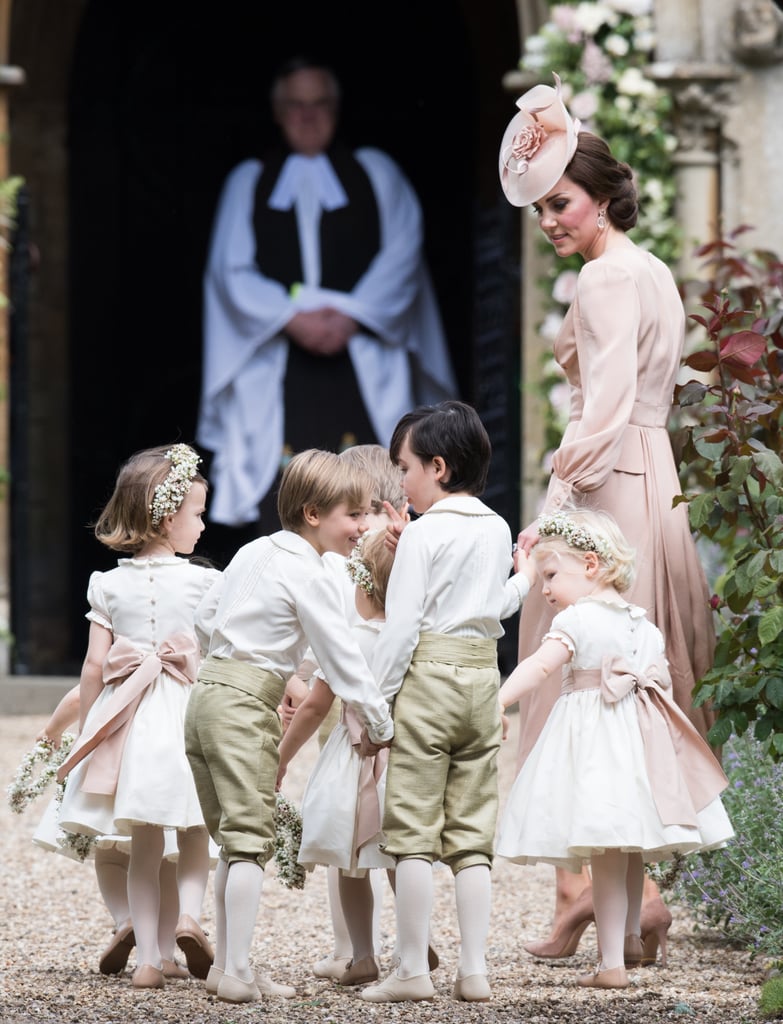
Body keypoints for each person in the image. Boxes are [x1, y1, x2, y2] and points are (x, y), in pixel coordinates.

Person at [498, 72, 718, 960]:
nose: (550, 220)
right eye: (542, 208)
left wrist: (553, 510)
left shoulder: (598, 281)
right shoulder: (650, 269)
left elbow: (604, 405)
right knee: (631, 671)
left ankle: (599, 894)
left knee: (564, 671)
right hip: (651, 473)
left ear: (598, 198)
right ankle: (606, 896)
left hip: (607, 477)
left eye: (562, 203)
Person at [197, 55, 457, 551]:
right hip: (279, 362)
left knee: (373, 487)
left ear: (336, 110)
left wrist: (351, 315)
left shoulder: (377, 174)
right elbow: (231, 272)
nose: (307, 116)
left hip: (361, 357)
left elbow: (402, 254)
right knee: (283, 497)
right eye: (296, 105)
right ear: (277, 111)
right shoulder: (248, 182)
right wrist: (291, 317)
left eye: (319, 104)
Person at [184, 448, 395, 1005]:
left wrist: (227, 658)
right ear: (312, 514)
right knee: (251, 842)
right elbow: (342, 655)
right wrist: (380, 718)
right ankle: (235, 972)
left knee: (233, 842)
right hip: (244, 704)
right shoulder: (312, 572)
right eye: (353, 515)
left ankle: (231, 969)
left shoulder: (255, 549)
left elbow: (205, 618)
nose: (359, 528)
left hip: (205, 696)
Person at [496, 509, 734, 989]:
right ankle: (627, 939)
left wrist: (496, 699)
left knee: (604, 848)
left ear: (589, 565)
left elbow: (541, 666)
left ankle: (611, 966)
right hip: (638, 744)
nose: (544, 589)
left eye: (550, 575)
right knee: (628, 849)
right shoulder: (641, 623)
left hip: (595, 744)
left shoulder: (579, 618)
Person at [357, 400, 535, 1004]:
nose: (399, 482)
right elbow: (497, 607)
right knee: (471, 831)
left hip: (429, 678)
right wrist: (528, 577)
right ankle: (475, 970)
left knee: (410, 831)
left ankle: (412, 969)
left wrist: (374, 708)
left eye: (403, 467)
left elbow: (402, 629)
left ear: (436, 467)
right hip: (482, 679)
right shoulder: (495, 527)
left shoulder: (424, 533)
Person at [55, 444, 221, 989]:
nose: (202, 524)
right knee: (195, 830)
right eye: (197, 514)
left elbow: (95, 667)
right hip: (186, 715)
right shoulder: (205, 583)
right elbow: (221, 654)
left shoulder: (106, 584)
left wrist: (87, 733)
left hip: (129, 721)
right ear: (169, 516)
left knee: (144, 847)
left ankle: (150, 958)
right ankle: (191, 919)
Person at [277, 443, 409, 981]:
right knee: (397, 842)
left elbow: (323, 649)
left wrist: (281, 752)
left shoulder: (339, 568)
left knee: (346, 838)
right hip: (400, 733)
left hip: (349, 733)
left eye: (364, 511)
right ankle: (411, 939)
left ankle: (355, 951)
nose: (360, 524)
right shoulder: (405, 585)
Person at [28, 686, 188, 979]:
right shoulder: (186, 647)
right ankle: (164, 953)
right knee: (168, 858)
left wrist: (53, 729)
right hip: (171, 751)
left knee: (111, 854)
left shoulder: (122, 642)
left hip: (119, 752)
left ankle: (126, 918)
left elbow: (82, 692)